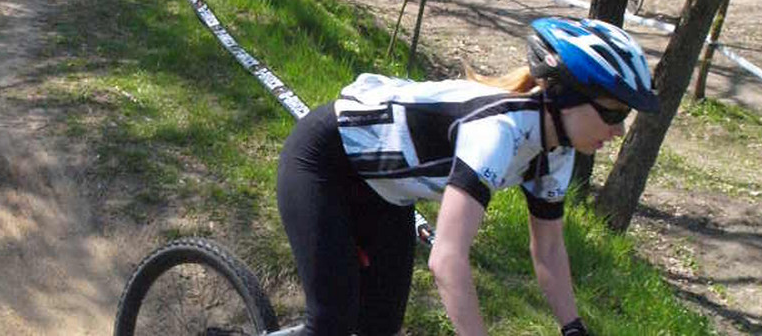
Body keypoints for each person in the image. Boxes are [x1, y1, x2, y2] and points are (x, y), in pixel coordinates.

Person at [277, 18, 659, 336]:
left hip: (386, 193)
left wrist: (573, 327)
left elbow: (549, 250)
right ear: (567, 97)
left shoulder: (557, 149)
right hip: (325, 162)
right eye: (612, 113)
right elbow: (447, 258)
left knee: (381, 328)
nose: (619, 130)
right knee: (331, 324)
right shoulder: (497, 131)